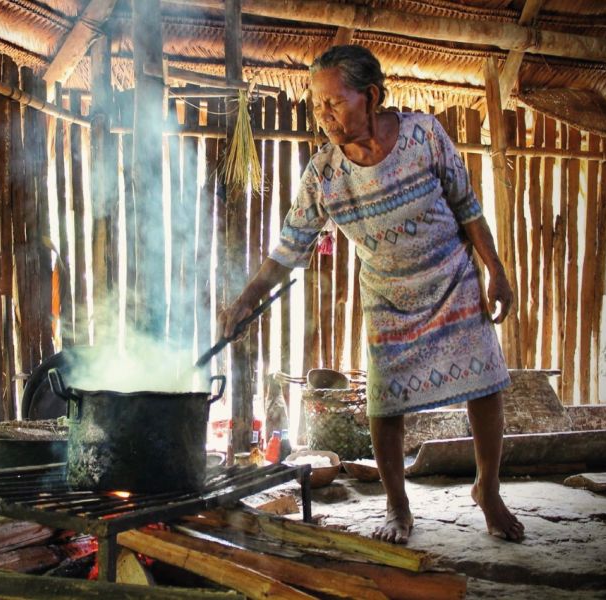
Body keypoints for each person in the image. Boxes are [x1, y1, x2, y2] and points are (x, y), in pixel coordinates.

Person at [219, 45, 524, 544]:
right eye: (318, 106)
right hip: (386, 297)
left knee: (485, 384)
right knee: (384, 404)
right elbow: (290, 245)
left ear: (372, 96)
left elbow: (468, 208)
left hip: (452, 280)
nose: (323, 116)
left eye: (334, 103)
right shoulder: (324, 174)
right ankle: (397, 507)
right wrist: (248, 297)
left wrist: (496, 271)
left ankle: (487, 490)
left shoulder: (424, 135)